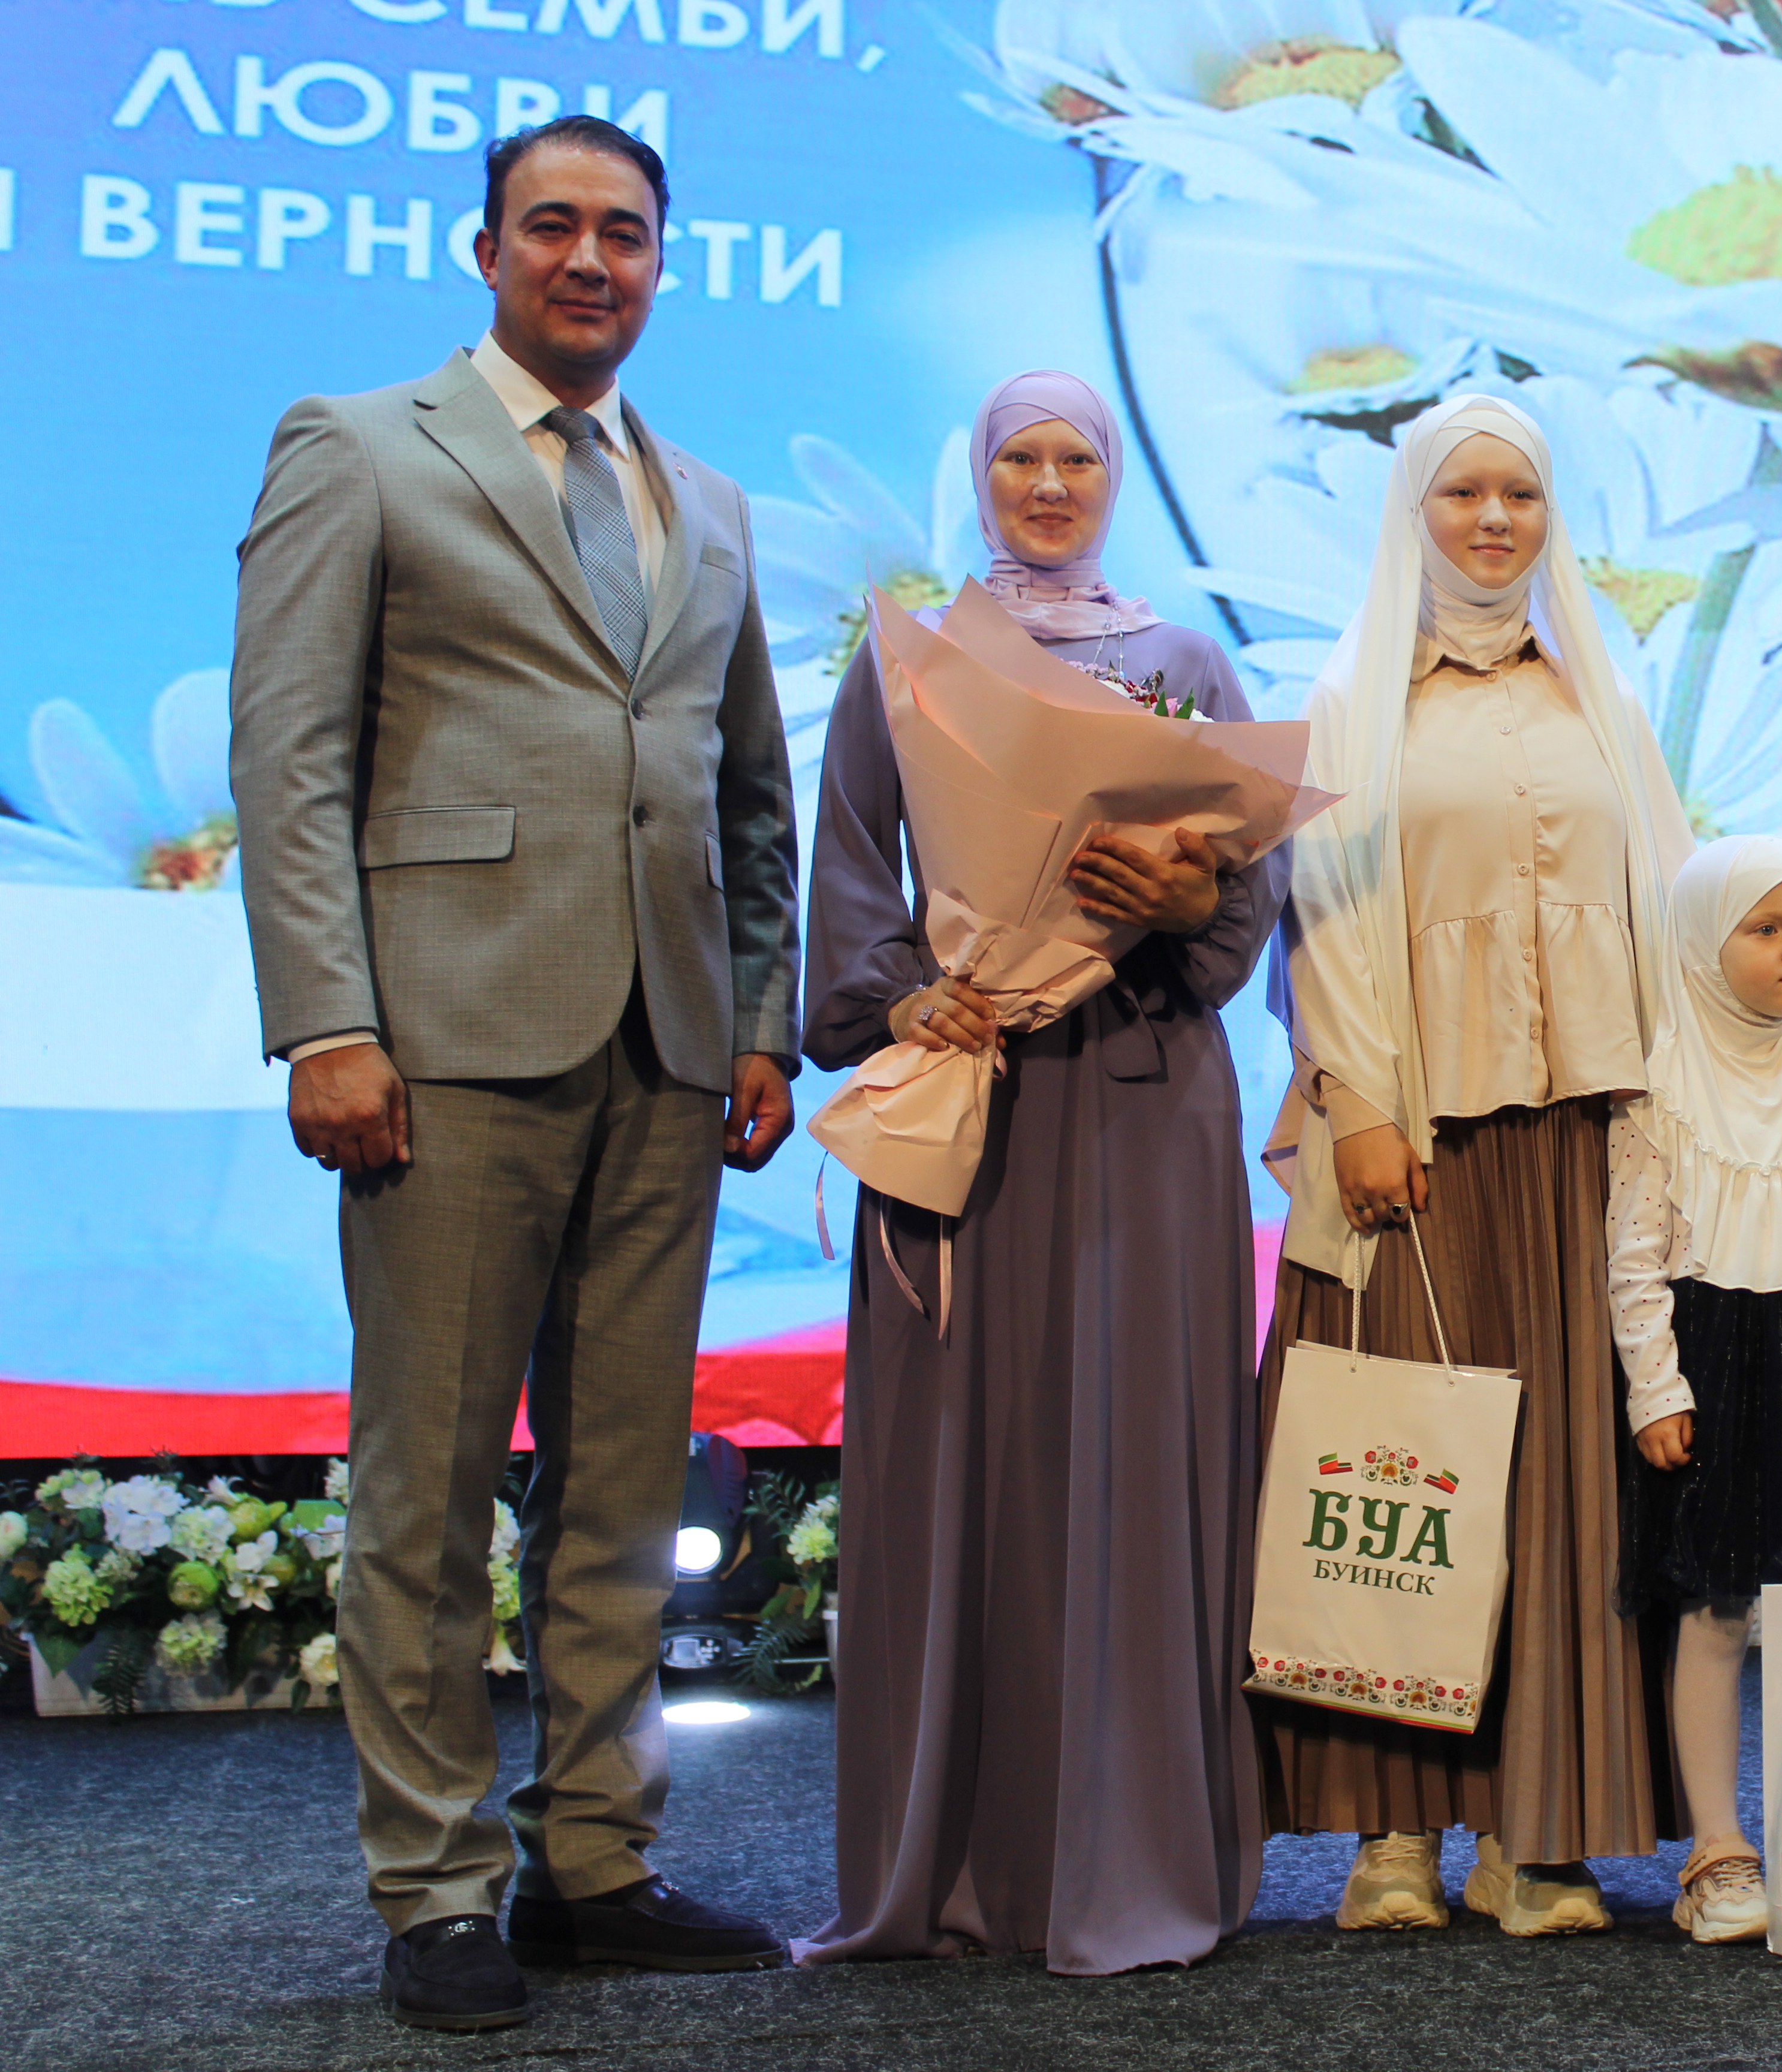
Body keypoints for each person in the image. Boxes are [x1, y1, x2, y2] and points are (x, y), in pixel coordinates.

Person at [229, 116, 800, 2032]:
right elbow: (289, 757)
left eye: (624, 234)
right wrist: (327, 1018)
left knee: (625, 1485)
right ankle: (434, 1888)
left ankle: (594, 1862)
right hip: (439, 1047)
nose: (589, 259)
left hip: (667, 1046)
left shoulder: (703, 497)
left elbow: (748, 793)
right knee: (431, 1481)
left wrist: (765, 1018)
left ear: (660, 265)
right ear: (484, 249)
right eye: (551, 225)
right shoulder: (359, 442)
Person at [795, 372, 1286, 1974]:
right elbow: (855, 866)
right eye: (1023, 457)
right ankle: (959, 1863)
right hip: (977, 1089)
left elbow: (1238, 900)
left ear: (1114, 476)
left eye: (1080, 455)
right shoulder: (915, 658)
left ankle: (1134, 1853)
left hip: (1145, 1101)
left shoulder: (1180, 664)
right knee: (970, 1466)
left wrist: (1182, 889)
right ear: (983, 476)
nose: (1052, 483)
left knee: (1140, 1465)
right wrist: (898, 995)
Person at [1262, 391, 1693, 1935]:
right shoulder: (1350, 697)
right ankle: (1392, 1835)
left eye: (1520, 493)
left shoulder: (1603, 705)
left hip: (1580, 1139)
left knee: (1568, 1486)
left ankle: (1539, 1827)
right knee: (1407, 1473)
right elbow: (1325, 915)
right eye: (1464, 495)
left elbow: (1671, 916)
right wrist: (1365, 1103)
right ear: (1412, 515)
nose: (1496, 519)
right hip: (1416, 1147)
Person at [1609, 835, 1782, 1945]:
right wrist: (1655, 1389)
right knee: (1716, 1609)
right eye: (1766, 929)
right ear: (1701, 940)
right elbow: (1632, 1259)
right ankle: (1718, 1848)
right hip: (1711, 1357)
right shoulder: (1656, 1094)